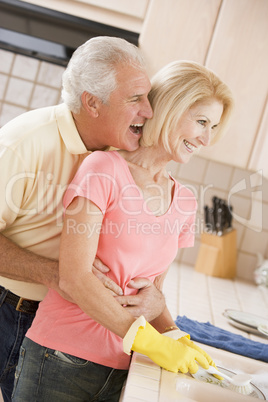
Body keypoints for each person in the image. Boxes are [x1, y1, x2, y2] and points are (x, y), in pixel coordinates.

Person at [12, 60, 234, 402]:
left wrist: (174, 335)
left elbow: (149, 292)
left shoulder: (186, 201)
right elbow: (74, 278)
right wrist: (149, 341)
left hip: (123, 367)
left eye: (214, 126)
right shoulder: (103, 169)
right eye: (201, 121)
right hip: (60, 358)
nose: (207, 138)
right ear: (171, 109)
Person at [0, 36, 168, 402]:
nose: (149, 111)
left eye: (148, 97)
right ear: (92, 102)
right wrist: (52, 273)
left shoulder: (118, 154)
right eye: (135, 99)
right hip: (11, 310)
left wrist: (154, 299)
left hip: (66, 322)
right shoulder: (24, 143)